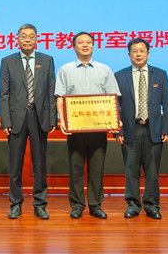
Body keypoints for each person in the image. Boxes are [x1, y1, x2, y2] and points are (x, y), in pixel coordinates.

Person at [56, 31, 120, 220]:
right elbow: (60, 98)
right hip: (75, 129)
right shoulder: (65, 70)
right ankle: (77, 205)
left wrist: (114, 121)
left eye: (88, 42)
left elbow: (113, 98)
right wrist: (62, 120)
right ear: (74, 47)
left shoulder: (105, 70)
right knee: (75, 168)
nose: (85, 45)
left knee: (97, 168)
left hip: (98, 129)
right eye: (80, 42)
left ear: (93, 46)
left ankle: (95, 204)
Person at [0, 24, 56, 220]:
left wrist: (53, 118)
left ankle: (40, 204)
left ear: (36, 39)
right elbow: (4, 93)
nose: (27, 39)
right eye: (23, 36)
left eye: (31, 36)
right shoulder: (7, 61)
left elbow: (51, 90)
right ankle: (15, 204)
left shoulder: (47, 60)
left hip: (40, 117)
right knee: (15, 164)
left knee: (40, 164)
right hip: (16, 119)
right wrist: (5, 120)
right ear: (17, 39)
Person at [114, 38, 168, 219]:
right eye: (134, 51)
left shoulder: (160, 74)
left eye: (142, 51)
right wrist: (117, 130)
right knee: (131, 169)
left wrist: (166, 128)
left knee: (152, 170)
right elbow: (115, 105)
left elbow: (166, 103)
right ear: (129, 54)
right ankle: (133, 205)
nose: (138, 54)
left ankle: (152, 205)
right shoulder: (120, 76)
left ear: (148, 53)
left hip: (153, 129)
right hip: (130, 129)